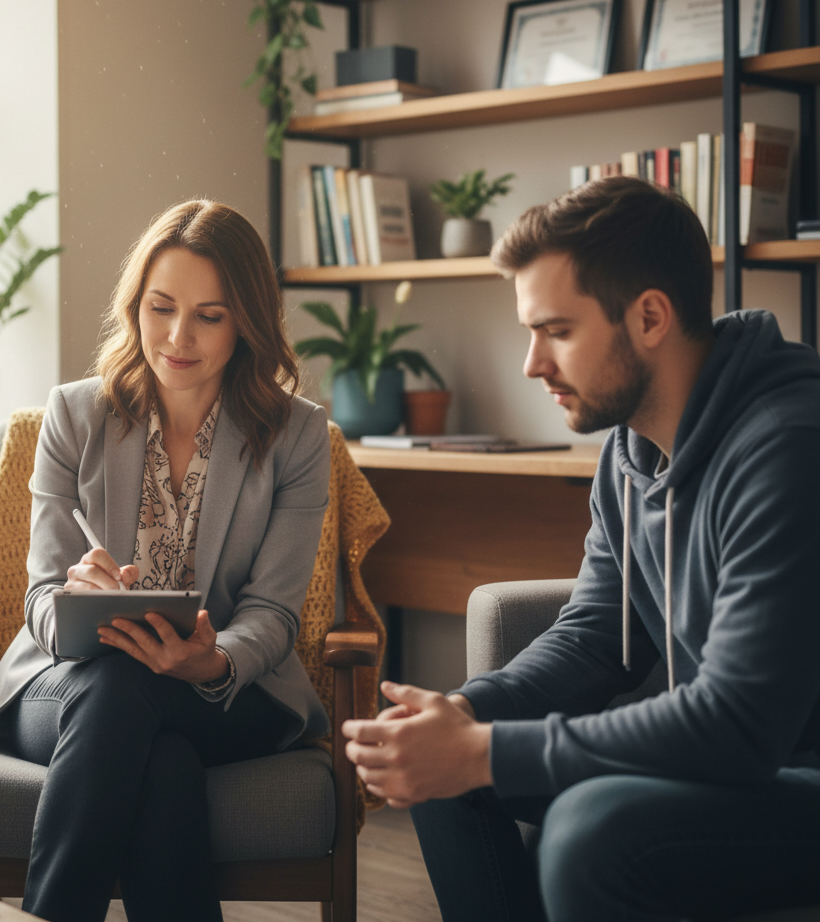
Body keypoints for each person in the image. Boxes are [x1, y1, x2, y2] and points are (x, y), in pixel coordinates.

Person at [343, 176, 820, 922]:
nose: (532, 363)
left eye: (557, 331)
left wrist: (484, 749)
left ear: (651, 317)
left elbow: (738, 724)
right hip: (748, 766)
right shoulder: (630, 450)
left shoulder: (787, 447)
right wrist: (459, 717)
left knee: (587, 833)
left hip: (789, 771)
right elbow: (596, 638)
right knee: (439, 770)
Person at [0, 199, 331, 922]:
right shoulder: (74, 414)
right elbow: (37, 601)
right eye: (160, 308)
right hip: (72, 685)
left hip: (230, 693)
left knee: (140, 718)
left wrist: (213, 663)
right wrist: (72, 595)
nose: (177, 337)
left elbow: (275, 611)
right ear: (136, 306)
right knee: (144, 727)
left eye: (209, 316)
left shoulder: (298, 436)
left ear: (246, 320)